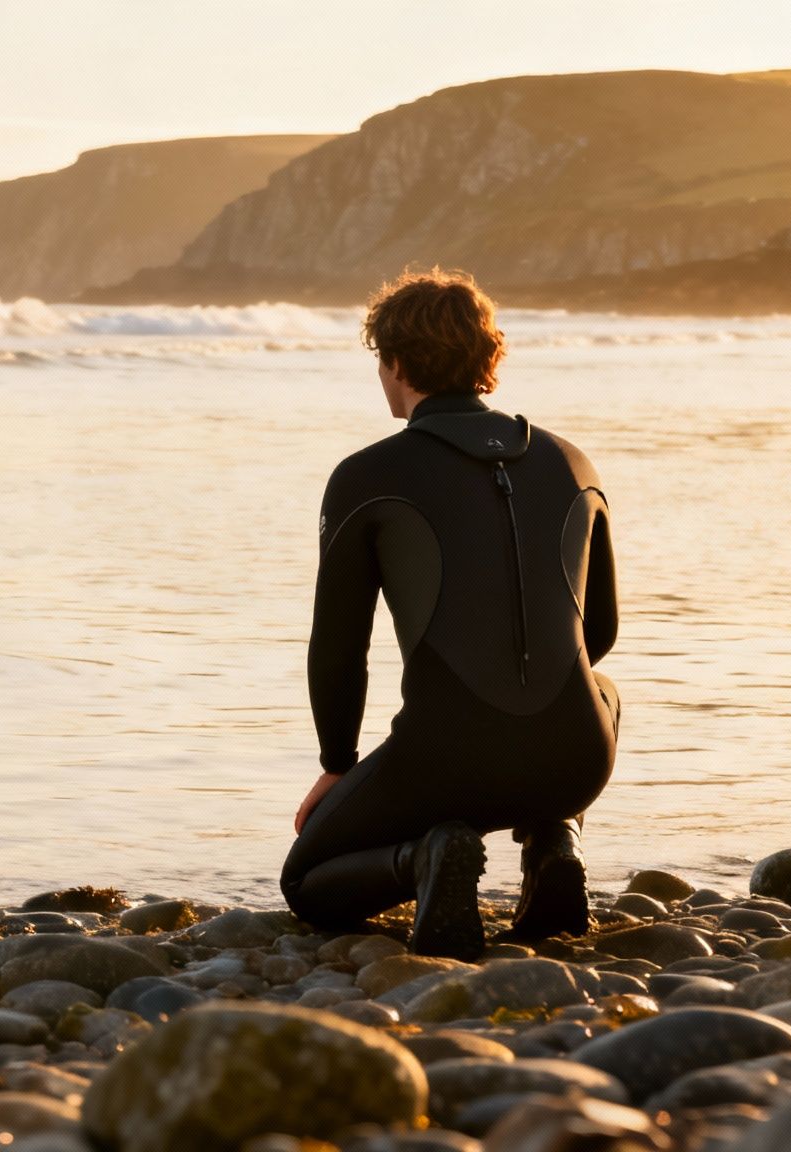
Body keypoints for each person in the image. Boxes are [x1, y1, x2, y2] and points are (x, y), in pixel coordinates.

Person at [281, 269, 619, 960]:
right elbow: (600, 634)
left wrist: (338, 764)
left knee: (307, 883)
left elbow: (339, 647)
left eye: (380, 360)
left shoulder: (366, 475)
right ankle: (555, 839)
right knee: (600, 690)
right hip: (576, 761)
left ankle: (428, 859)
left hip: (445, 766)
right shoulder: (572, 461)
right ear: (488, 358)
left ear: (397, 362)